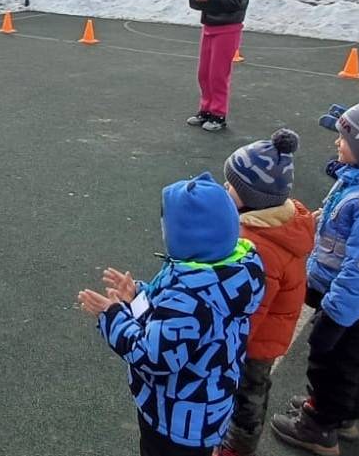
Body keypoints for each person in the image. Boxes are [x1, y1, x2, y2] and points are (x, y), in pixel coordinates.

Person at [78, 172, 265, 456]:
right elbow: (168, 324)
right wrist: (138, 297)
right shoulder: (228, 272)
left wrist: (112, 315)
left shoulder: (189, 293)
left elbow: (154, 354)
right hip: (207, 407)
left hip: (176, 420)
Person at [271, 100, 359, 454]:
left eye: (344, 139)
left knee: (331, 363)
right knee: (349, 362)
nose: (337, 143)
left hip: (354, 305)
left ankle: (319, 427)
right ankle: (342, 415)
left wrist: (335, 316)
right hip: (350, 299)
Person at [217, 129, 315, 456]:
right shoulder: (273, 223)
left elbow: (252, 309)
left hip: (253, 342)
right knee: (250, 390)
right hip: (261, 335)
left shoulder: (259, 248)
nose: (224, 189)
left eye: (230, 185)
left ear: (250, 196)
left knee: (247, 394)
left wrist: (230, 345)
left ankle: (238, 447)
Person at [187, 0, 250, 132]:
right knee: (203, 73)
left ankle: (218, 114)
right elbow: (200, 1)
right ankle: (205, 108)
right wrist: (197, 0)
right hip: (209, 27)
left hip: (228, 30)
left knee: (218, 74)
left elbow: (236, 3)